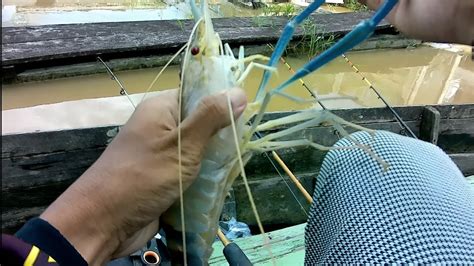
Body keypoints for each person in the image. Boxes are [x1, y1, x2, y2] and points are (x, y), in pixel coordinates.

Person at [2, 1, 473, 265]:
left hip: (122, 239)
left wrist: (101, 216)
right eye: (204, 55)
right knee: (394, 152)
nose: (214, 51)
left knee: (347, 139)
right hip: (188, 235)